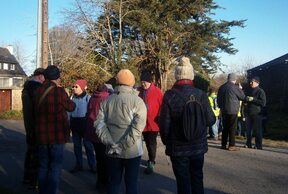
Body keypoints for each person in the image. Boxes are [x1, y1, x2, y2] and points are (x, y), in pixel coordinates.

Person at [159, 57, 215, 194]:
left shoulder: (169, 96)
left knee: (183, 182)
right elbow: (211, 120)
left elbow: (164, 124)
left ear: (177, 75)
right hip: (198, 146)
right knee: (197, 178)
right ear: (191, 75)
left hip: (178, 148)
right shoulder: (201, 95)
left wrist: (167, 142)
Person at [94, 69, 147, 194]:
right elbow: (138, 128)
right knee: (132, 183)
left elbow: (99, 124)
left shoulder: (106, 101)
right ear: (132, 82)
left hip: (112, 150)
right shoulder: (138, 102)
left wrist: (111, 143)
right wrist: (123, 145)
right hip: (132, 150)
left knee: (114, 182)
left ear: (117, 82)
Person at [34, 65, 76, 194]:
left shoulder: (38, 91)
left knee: (42, 166)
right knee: (55, 167)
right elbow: (71, 107)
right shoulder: (60, 92)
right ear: (57, 78)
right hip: (57, 136)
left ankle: (42, 191)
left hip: (41, 135)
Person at [21, 67, 45, 190]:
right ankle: (33, 181)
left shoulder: (26, 88)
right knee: (36, 154)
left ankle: (27, 178)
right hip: (36, 126)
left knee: (30, 152)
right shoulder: (36, 88)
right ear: (40, 76)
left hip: (29, 125)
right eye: (44, 78)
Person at [85, 84, 110, 193]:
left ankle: (99, 182)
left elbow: (88, 112)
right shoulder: (107, 99)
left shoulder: (92, 98)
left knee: (99, 159)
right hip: (103, 132)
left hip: (93, 132)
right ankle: (105, 182)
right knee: (106, 160)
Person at [217, 73, 250, 151]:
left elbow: (218, 99)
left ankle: (223, 144)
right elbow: (242, 97)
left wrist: (221, 107)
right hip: (232, 110)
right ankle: (231, 145)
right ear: (234, 79)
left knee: (225, 127)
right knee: (232, 128)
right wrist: (241, 89)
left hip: (224, 110)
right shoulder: (235, 87)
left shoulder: (222, 87)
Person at [139, 70, 163, 174]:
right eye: (142, 82)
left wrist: (160, 117)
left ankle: (151, 161)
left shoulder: (157, 91)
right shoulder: (138, 91)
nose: (143, 84)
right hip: (142, 122)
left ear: (150, 82)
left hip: (153, 123)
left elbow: (162, 106)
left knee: (151, 143)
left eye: (145, 82)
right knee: (146, 143)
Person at [69, 79, 96, 173]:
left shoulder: (88, 98)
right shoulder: (72, 98)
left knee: (88, 146)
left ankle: (92, 165)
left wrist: (91, 124)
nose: (74, 88)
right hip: (75, 125)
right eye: (73, 86)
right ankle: (78, 165)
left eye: (76, 86)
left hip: (85, 125)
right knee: (77, 146)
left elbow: (92, 112)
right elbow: (69, 112)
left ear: (82, 87)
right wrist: (68, 124)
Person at [244, 76, 266, 149]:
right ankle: (248, 144)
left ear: (257, 82)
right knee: (248, 130)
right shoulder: (249, 90)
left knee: (257, 130)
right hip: (248, 113)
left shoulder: (260, 91)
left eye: (252, 82)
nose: (250, 83)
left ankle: (258, 145)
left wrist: (253, 99)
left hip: (257, 113)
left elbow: (263, 103)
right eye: (250, 81)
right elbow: (246, 100)